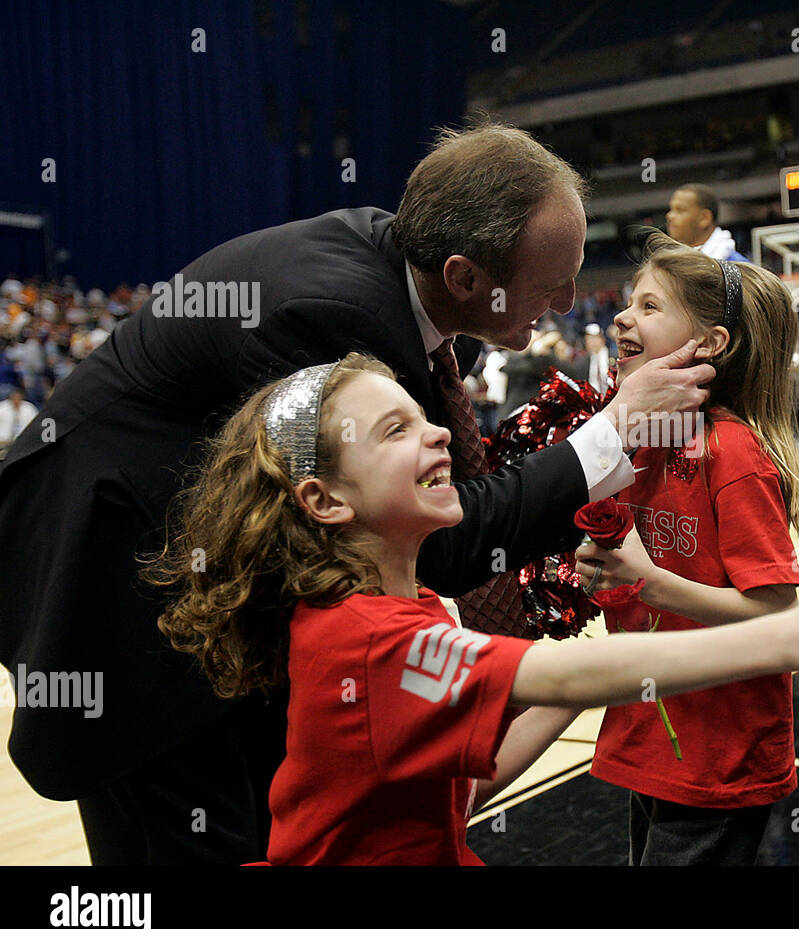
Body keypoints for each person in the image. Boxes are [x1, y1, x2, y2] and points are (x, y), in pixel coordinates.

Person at [0, 121, 715, 865]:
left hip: (212, 562)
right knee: (192, 828)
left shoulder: (423, 286)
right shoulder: (334, 316)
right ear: (466, 275)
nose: (569, 301)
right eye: (551, 282)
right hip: (118, 570)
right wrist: (616, 430)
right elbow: (440, 541)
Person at [146, 353, 799, 864]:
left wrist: (602, 619)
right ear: (323, 500)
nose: (435, 438)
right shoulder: (365, 639)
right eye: (395, 431)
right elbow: (560, 679)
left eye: (426, 419)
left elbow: (479, 774)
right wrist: (788, 635)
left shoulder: (412, 603)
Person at [572, 232, 799, 865]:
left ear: (708, 345)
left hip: (719, 754)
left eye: (650, 307)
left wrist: (652, 584)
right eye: (629, 302)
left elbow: (779, 617)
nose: (622, 316)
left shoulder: (731, 453)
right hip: (653, 734)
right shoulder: (639, 439)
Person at [665, 183, 749, 262]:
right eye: (671, 209)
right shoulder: (668, 264)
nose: (669, 216)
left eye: (680, 210)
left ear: (704, 218)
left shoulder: (737, 267)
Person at [0, 386, 37, 457]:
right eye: (14, 397)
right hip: (3, 441)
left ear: (22, 397)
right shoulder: (2, 408)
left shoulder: (29, 408)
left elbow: (36, 424)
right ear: (11, 397)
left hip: (23, 441)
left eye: (18, 397)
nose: (16, 400)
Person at [582, 322, 611, 396]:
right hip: (594, 402)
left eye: (595, 338)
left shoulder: (614, 355)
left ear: (602, 339)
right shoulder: (584, 362)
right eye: (589, 339)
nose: (592, 342)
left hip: (615, 400)